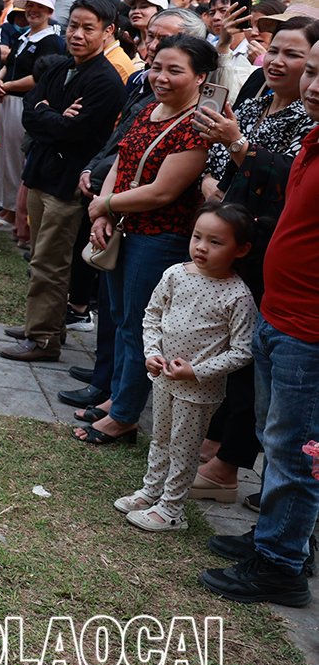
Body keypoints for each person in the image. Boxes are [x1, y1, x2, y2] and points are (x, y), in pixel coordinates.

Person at [199, 33, 319, 606]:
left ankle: (280, 564)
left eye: (318, 72)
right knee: (280, 437)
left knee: (297, 448)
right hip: (279, 309)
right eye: (312, 73)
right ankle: (278, 538)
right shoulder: (313, 138)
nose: (313, 86)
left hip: (310, 326)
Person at [77, 35, 218, 443]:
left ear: (201, 77)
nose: (161, 77)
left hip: (159, 237)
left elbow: (163, 191)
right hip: (124, 228)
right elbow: (122, 158)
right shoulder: (150, 108)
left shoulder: (198, 124)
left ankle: (123, 416)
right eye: (157, 66)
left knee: (141, 328)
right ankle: (118, 400)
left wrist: (106, 207)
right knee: (121, 321)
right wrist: (102, 208)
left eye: (175, 70)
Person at [114, 203, 256, 532]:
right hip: (164, 379)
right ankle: (151, 491)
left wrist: (197, 371)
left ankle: (172, 508)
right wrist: (152, 353)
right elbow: (153, 315)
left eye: (215, 242)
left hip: (198, 391)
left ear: (242, 249)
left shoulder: (238, 296)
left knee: (184, 446)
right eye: (197, 237)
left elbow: (242, 351)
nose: (202, 247)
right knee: (160, 438)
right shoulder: (175, 274)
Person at [0, 0, 125, 364]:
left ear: (108, 32)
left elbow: (75, 131)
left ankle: (42, 340)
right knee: (39, 255)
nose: (78, 35)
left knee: (51, 263)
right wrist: (50, 113)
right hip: (41, 172)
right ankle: (42, 326)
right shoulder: (58, 68)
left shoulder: (106, 81)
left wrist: (47, 114)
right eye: (74, 26)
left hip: (68, 183)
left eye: (89, 28)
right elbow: (30, 114)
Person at [0, 0, 65, 232]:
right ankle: (4, 204)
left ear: (49, 11)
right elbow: (9, 61)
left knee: (15, 154)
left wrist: (8, 85)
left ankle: (14, 210)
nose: (33, 11)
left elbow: (39, 77)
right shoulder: (25, 37)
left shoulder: (51, 41)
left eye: (39, 8)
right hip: (5, 98)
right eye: (30, 6)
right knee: (2, 152)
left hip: (22, 102)